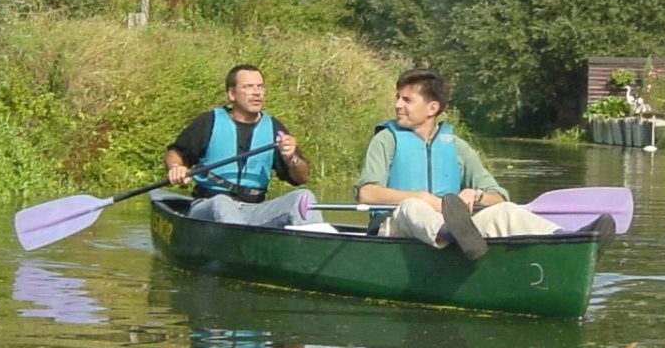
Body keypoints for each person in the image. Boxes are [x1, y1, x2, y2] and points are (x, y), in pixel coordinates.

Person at [355, 67, 560, 259]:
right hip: (395, 227)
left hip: (453, 229)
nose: (398, 105)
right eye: (398, 98)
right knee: (413, 206)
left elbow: (499, 197)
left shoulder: (457, 147)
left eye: (407, 100)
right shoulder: (386, 140)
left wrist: (476, 195)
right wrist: (423, 198)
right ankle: (452, 233)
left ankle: (566, 236)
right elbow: (367, 194)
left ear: (432, 108)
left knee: (507, 212)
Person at [165, 63, 314, 225]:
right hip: (208, 205)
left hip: (253, 208)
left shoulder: (274, 128)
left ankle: (317, 243)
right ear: (232, 94)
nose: (257, 92)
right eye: (249, 87)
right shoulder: (208, 122)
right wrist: (175, 167)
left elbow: (302, 177)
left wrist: (292, 159)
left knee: (302, 197)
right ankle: (238, 241)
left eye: (260, 87)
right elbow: (176, 154)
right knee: (222, 202)